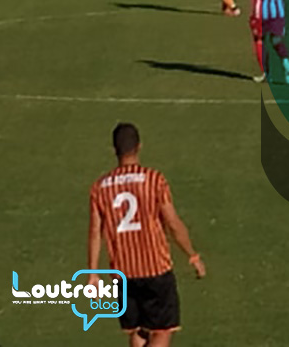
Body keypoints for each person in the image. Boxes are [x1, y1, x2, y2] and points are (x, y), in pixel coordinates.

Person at [87, 123, 206, 347]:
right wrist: (192, 255)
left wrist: (93, 273)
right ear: (139, 146)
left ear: (114, 150)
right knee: (162, 332)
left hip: (123, 272)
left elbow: (95, 231)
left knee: (138, 329)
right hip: (155, 268)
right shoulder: (154, 180)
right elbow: (172, 223)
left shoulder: (100, 188)